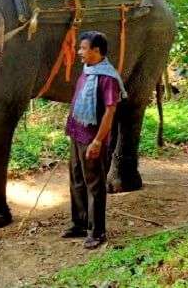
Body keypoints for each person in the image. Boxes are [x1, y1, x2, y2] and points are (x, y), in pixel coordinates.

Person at [62, 31, 127, 249]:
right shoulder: (88, 71)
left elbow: (110, 112)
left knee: (95, 185)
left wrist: (98, 141)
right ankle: (79, 223)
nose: (79, 52)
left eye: (83, 48)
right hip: (78, 135)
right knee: (77, 180)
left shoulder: (108, 78)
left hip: (93, 140)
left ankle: (97, 232)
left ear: (96, 51)